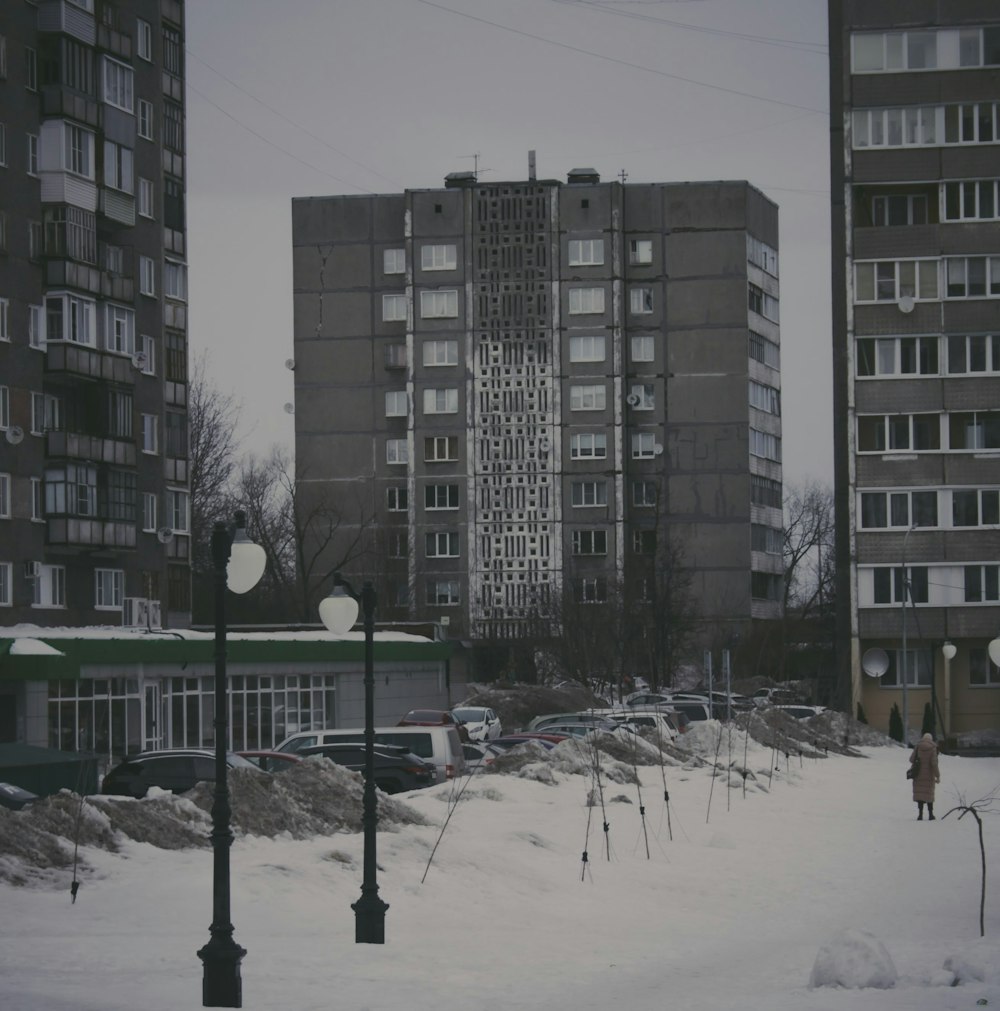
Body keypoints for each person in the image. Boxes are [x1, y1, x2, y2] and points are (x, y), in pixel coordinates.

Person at [909, 732, 941, 820]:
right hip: (929, 775)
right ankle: (931, 815)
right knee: (928, 794)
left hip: (918, 774)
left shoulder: (918, 746)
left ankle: (920, 815)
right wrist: (937, 775)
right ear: (931, 739)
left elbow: (911, 759)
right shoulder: (933, 748)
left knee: (920, 794)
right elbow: (934, 763)